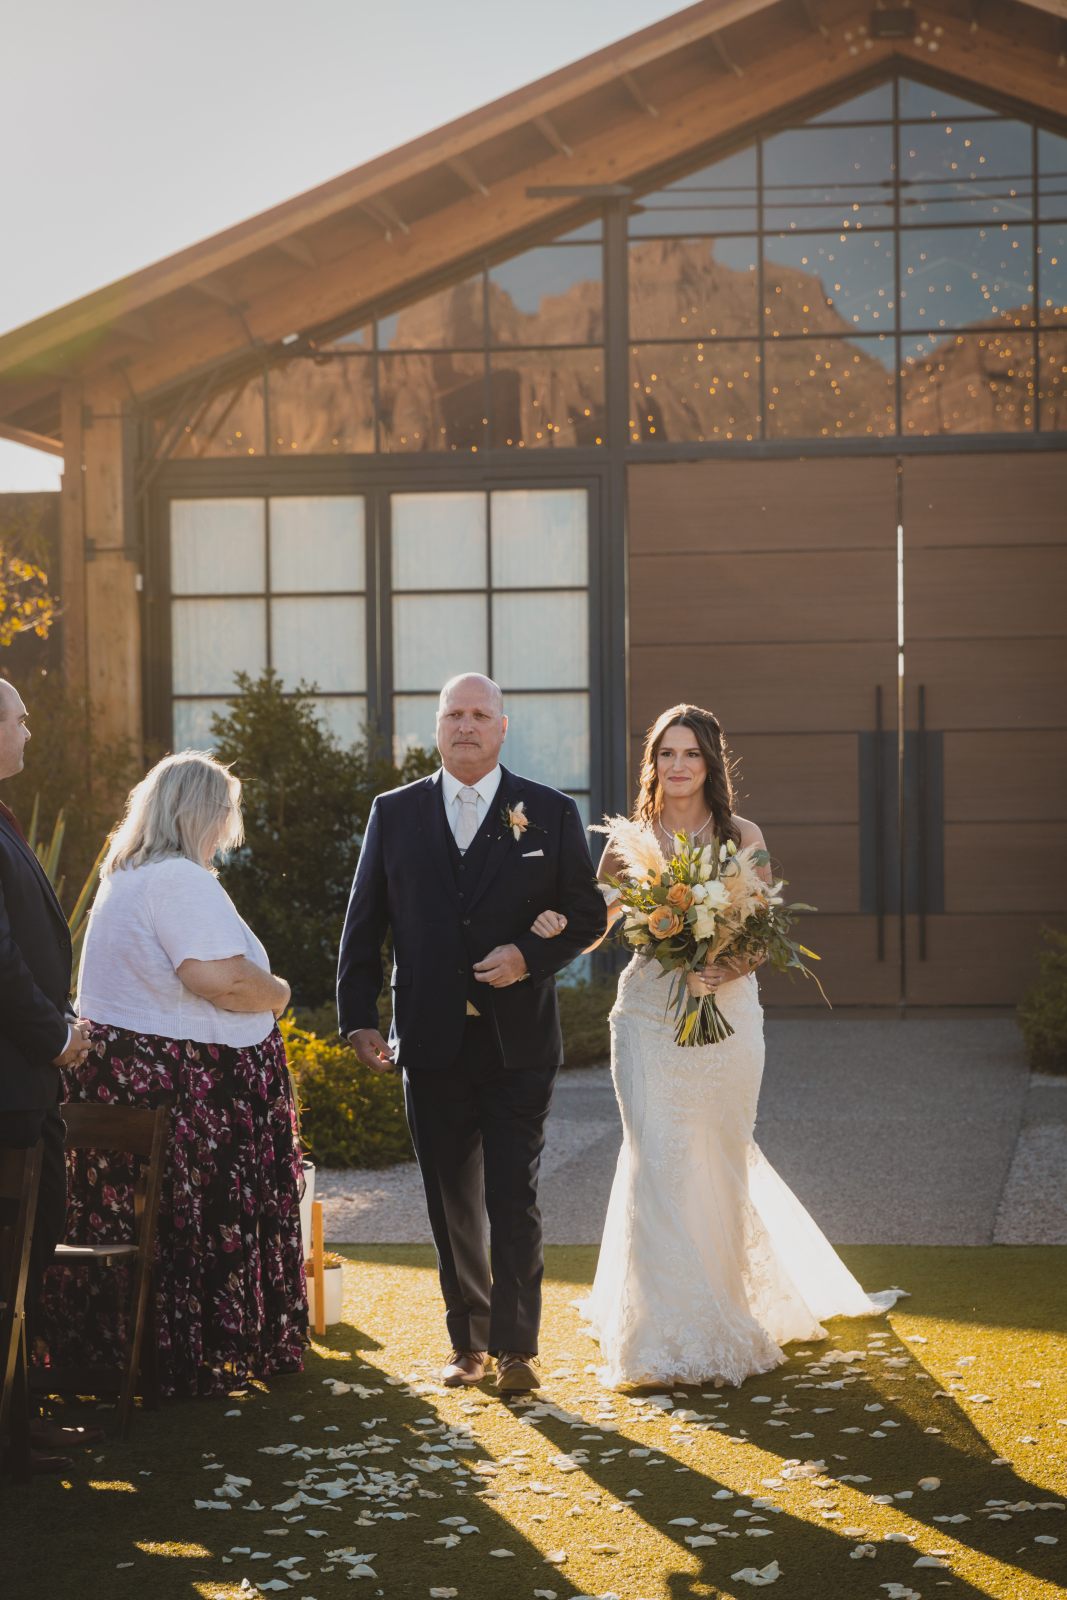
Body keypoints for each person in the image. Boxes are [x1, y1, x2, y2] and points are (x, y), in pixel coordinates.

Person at [546, 703, 904, 1388]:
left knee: (717, 1154)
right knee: (657, 1156)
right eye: (664, 754)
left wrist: (724, 969)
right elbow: (596, 925)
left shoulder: (743, 834)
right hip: (647, 1015)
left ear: (710, 764)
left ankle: (723, 1307)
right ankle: (657, 1333)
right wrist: (561, 922)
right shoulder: (629, 839)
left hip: (728, 1016)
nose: (675, 767)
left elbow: (764, 934)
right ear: (650, 764)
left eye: (689, 755)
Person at [337, 673, 607, 1393]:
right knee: (447, 1197)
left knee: (511, 1195)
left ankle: (517, 1350)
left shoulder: (547, 812)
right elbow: (364, 922)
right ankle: (469, 1346)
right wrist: (358, 1016)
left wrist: (528, 956)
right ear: (436, 726)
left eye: (479, 714)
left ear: (502, 727)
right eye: (452, 714)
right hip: (427, 1040)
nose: (465, 725)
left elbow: (585, 918)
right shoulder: (393, 813)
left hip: (517, 1043)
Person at [39, 750, 307, 1399]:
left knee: (148, 1223)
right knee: (196, 1220)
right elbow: (215, 977)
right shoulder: (178, 878)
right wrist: (280, 993)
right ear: (201, 813)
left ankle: (133, 1349)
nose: (226, 831)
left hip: (136, 1080)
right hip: (186, 1088)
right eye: (224, 816)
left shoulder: (124, 873)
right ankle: (196, 1349)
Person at [0, 676, 100, 1472]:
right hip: (11, 1082)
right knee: (13, 1258)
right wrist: (57, 1035)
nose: (29, 733)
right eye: (19, 720)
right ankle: (13, 1432)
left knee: (30, 1253)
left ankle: (20, 1418)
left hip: (26, 1082)